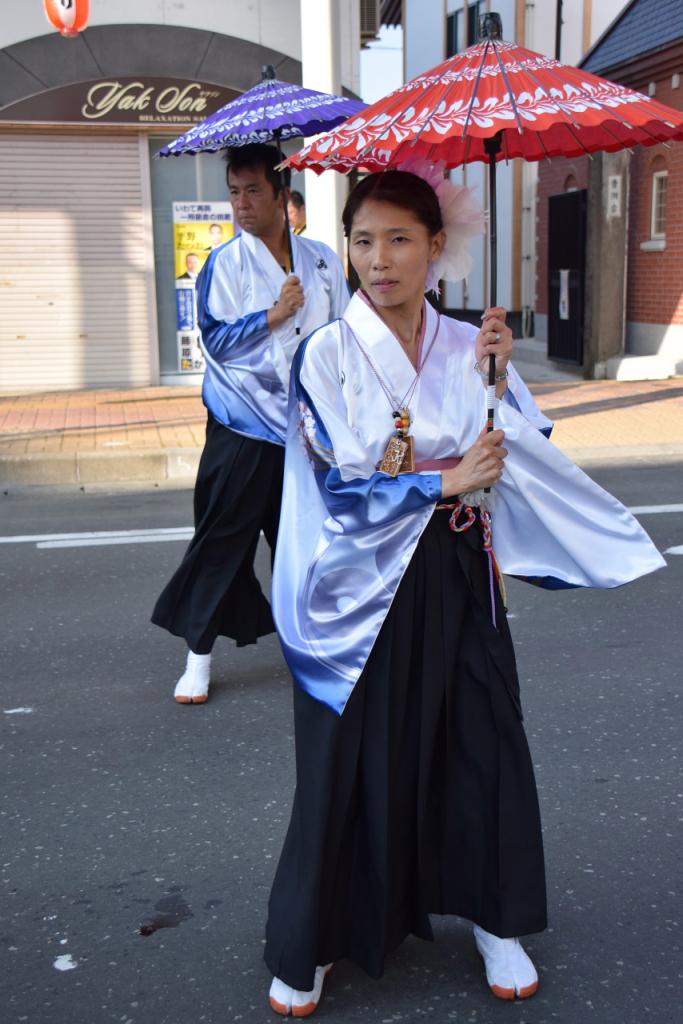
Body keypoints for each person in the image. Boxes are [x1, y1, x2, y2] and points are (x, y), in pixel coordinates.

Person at [263, 169, 665, 1016]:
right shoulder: (325, 353)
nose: (379, 260)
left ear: (436, 247)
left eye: (400, 239)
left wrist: (496, 378)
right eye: (363, 240)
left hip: (453, 569)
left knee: (477, 742)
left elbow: (519, 449)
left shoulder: (465, 343)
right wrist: (443, 480)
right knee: (346, 760)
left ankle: (493, 917)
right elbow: (338, 483)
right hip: (352, 585)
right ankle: (321, 933)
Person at [152, 143, 349, 704]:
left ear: (282, 195)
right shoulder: (224, 263)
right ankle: (198, 657)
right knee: (221, 543)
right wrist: (273, 316)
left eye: (253, 190)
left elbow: (340, 336)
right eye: (234, 191)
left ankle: (313, 645)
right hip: (241, 429)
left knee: (305, 542)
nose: (241, 203)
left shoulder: (323, 261)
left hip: (304, 430)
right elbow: (213, 339)